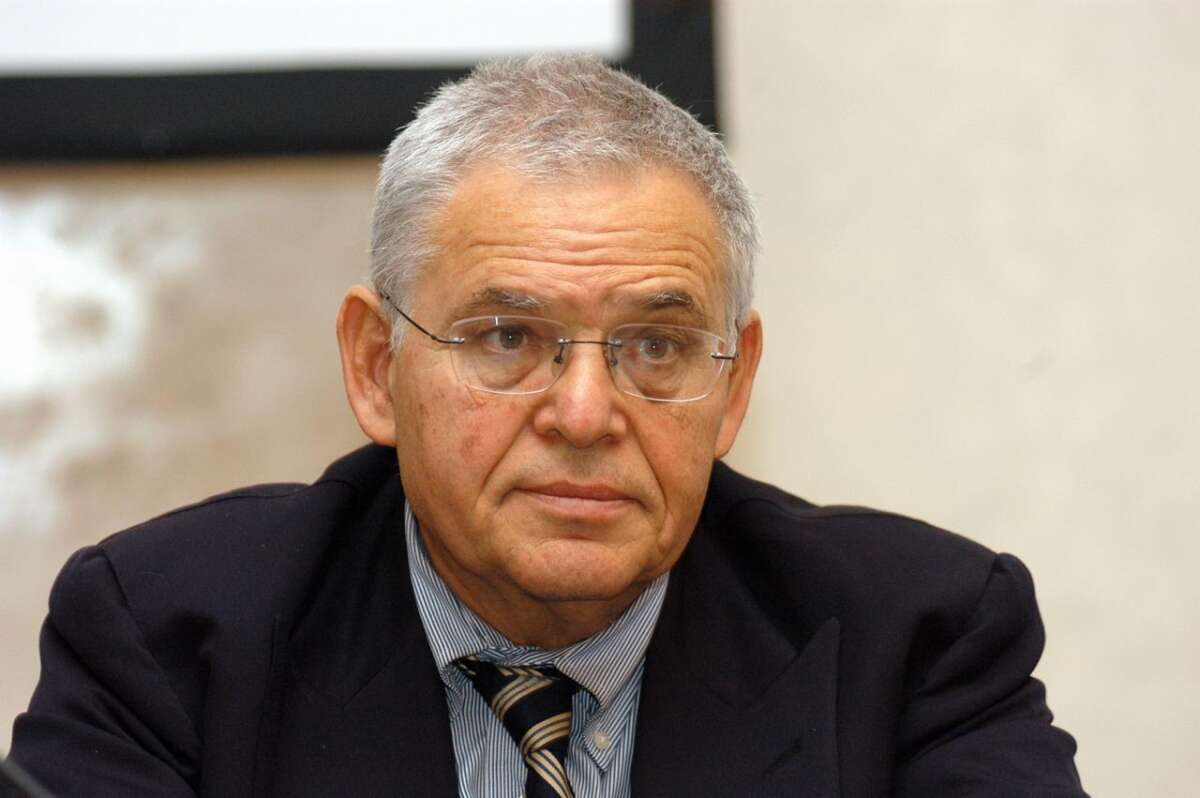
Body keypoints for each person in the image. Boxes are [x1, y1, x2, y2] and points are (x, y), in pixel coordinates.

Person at [4, 56, 1087, 797]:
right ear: (377, 368)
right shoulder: (170, 640)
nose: (583, 414)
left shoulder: (919, 643)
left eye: (656, 347)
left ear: (733, 386)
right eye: (508, 338)